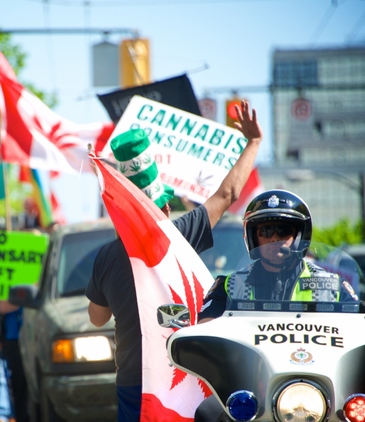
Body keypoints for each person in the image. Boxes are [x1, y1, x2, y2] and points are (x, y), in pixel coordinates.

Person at [85, 100, 263, 422]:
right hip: (182, 372)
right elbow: (227, 194)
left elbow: (97, 318)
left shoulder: (106, 257)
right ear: (163, 208)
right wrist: (254, 142)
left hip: (134, 384)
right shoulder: (179, 236)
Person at [198, 190, 345, 322]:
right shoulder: (230, 286)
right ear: (253, 238)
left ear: (299, 236)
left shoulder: (332, 286)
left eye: (283, 230)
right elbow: (204, 332)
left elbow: (362, 330)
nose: (274, 239)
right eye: (266, 231)